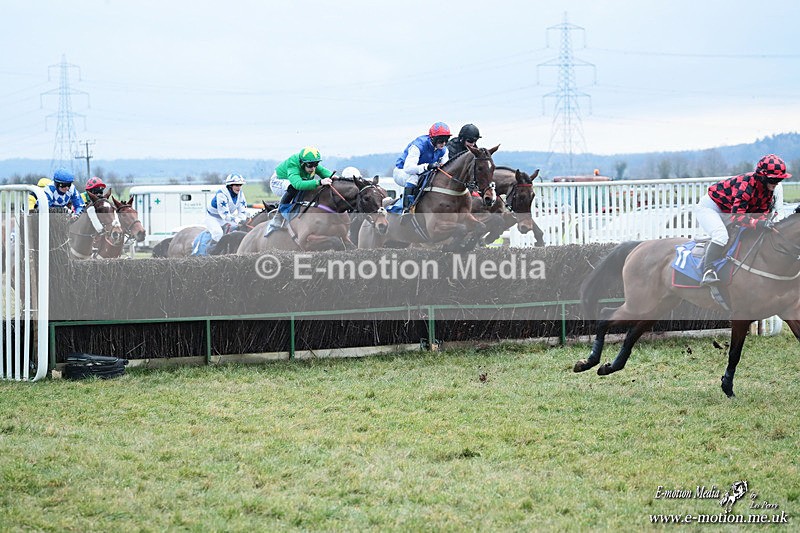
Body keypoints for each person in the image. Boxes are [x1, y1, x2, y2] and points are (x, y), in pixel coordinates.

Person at [694, 154, 791, 285]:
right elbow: (738, 217)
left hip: (729, 209)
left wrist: (764, 222)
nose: (777, 183)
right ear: (762, 177)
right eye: (773, 180)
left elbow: (760, 213)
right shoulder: (746, 186)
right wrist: (759, 223)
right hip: (711, 208)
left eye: (779, 180)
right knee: (721, 236)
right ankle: (708, 271)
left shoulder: (767, 189)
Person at [265, 146, 335, 235]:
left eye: (315, 164)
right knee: (293, 187)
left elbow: (325, 172)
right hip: (277, 182)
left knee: (308, 188)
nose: (313, 168)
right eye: (310, 165)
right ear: (302, 163)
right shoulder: (293, 163)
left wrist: (335, 178)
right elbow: (297, 184)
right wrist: (320, 182)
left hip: (294, 181)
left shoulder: (310, 162)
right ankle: (278, 217)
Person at [394, 122, 451, 211]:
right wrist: (427, 167)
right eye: (440, 140)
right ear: (433, 138)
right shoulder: (418, 146)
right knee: (413, 178)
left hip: (423, 173)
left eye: (446, 140)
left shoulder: (444, 150)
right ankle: (406, 209)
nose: (443, 143)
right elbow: (408, 168)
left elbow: (446, 170)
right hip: (402, 171)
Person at [205, 173, 248, 251]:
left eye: (240, 185)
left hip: (226, 218)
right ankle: (211, 252)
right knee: (218, 233)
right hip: (213, 218)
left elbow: (242, 211)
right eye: (236, 185)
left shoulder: (241, 194)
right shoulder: (221, 194)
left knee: (238, 230)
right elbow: (225, 215)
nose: (239, 188)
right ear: (230, 185)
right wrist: (237, 220)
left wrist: (243, 219)